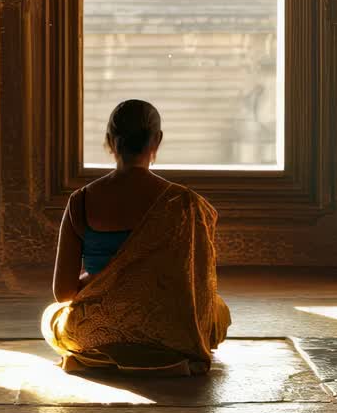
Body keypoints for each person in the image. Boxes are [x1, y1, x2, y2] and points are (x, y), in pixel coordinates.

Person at [42, 99, 231, 375]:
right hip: (172, 331)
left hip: (95, 330)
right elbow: (198, 285)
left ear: (110, 141)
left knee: (52, 319)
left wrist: (99, 280)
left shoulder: (81, 201)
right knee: (218, 312)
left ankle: (102, 354)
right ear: (157, 141)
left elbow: (64, 293)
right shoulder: (184, 202)